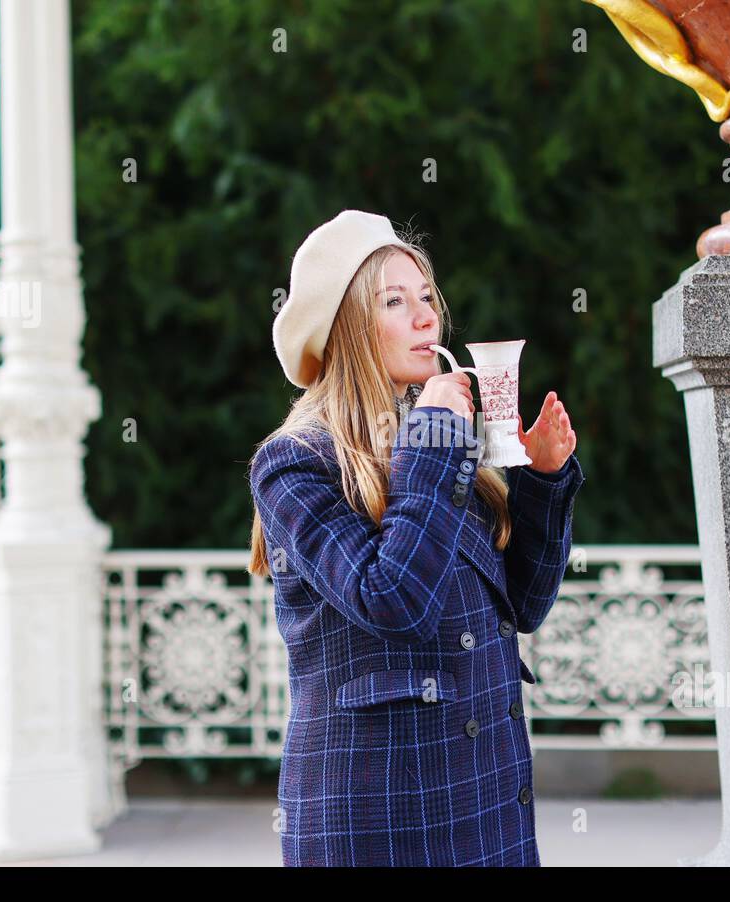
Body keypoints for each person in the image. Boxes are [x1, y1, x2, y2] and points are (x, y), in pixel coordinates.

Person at [246, 209, 583, 866]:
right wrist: (433, 440)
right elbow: (392, 601)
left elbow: (523, 605)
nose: (427, 317)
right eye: (395, 302)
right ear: (346, 326)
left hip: (484, 803)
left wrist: (542, 481)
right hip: (379, 817)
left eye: (427, 296)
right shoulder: (295, 463)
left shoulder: (437, 444)